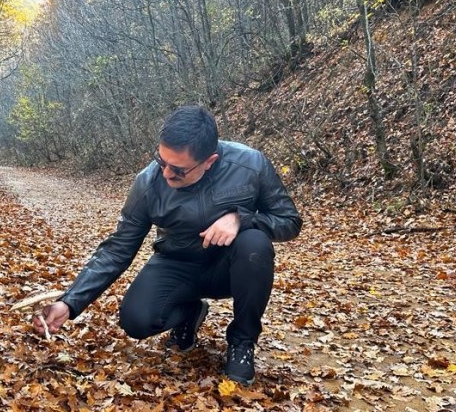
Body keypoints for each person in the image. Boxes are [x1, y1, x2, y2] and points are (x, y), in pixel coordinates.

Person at [33, 105, 302, 385]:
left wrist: (241, 218)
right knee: (136, 321)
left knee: (255, 243)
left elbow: (289, 221)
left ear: (209, 161)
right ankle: (189, 313)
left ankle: (242, 342)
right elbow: (117, 249)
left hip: (231, 267)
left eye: (178, 170)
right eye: (161, 161)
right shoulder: (147, 183)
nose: (166, 173)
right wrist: (70, 302)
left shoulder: (250, 165)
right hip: (177, 263)